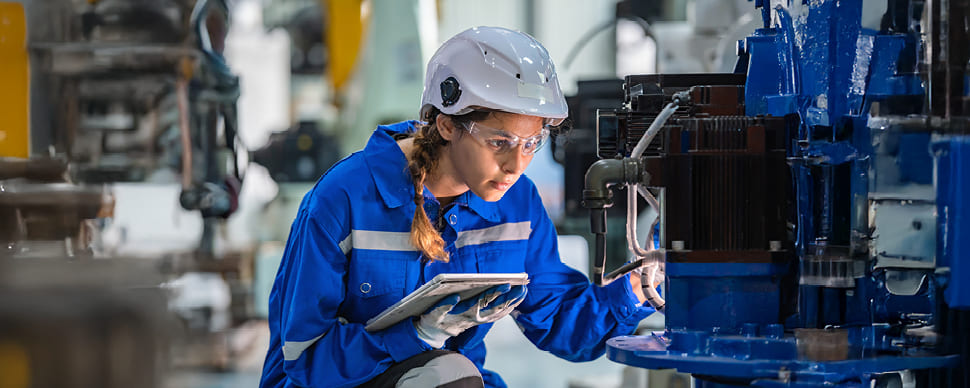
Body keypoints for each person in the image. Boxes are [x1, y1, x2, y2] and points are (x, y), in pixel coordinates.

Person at [259, 26, 654, 388]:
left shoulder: (517, 203)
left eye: (532, 143)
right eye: (499, 142)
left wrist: (639, 290)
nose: (516, 166)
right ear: (447, 124)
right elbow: (305, 359)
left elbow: (564, 327)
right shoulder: (344, 199)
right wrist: (416, 336)